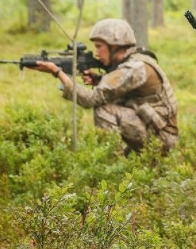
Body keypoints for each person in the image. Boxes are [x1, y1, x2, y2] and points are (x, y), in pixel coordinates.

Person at [32, 18, 179, 155]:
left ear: (114, 46)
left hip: (163, 139)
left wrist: (57, 72)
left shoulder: (134, 67)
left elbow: (92, 99)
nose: (96, 53)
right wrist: (99, 80)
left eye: (99, 47)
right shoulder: (135, 61)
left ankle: (113, 164)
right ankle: (129, 159)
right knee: (110, 102)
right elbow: (123, 89)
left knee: (103, 110)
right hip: (156, 131)